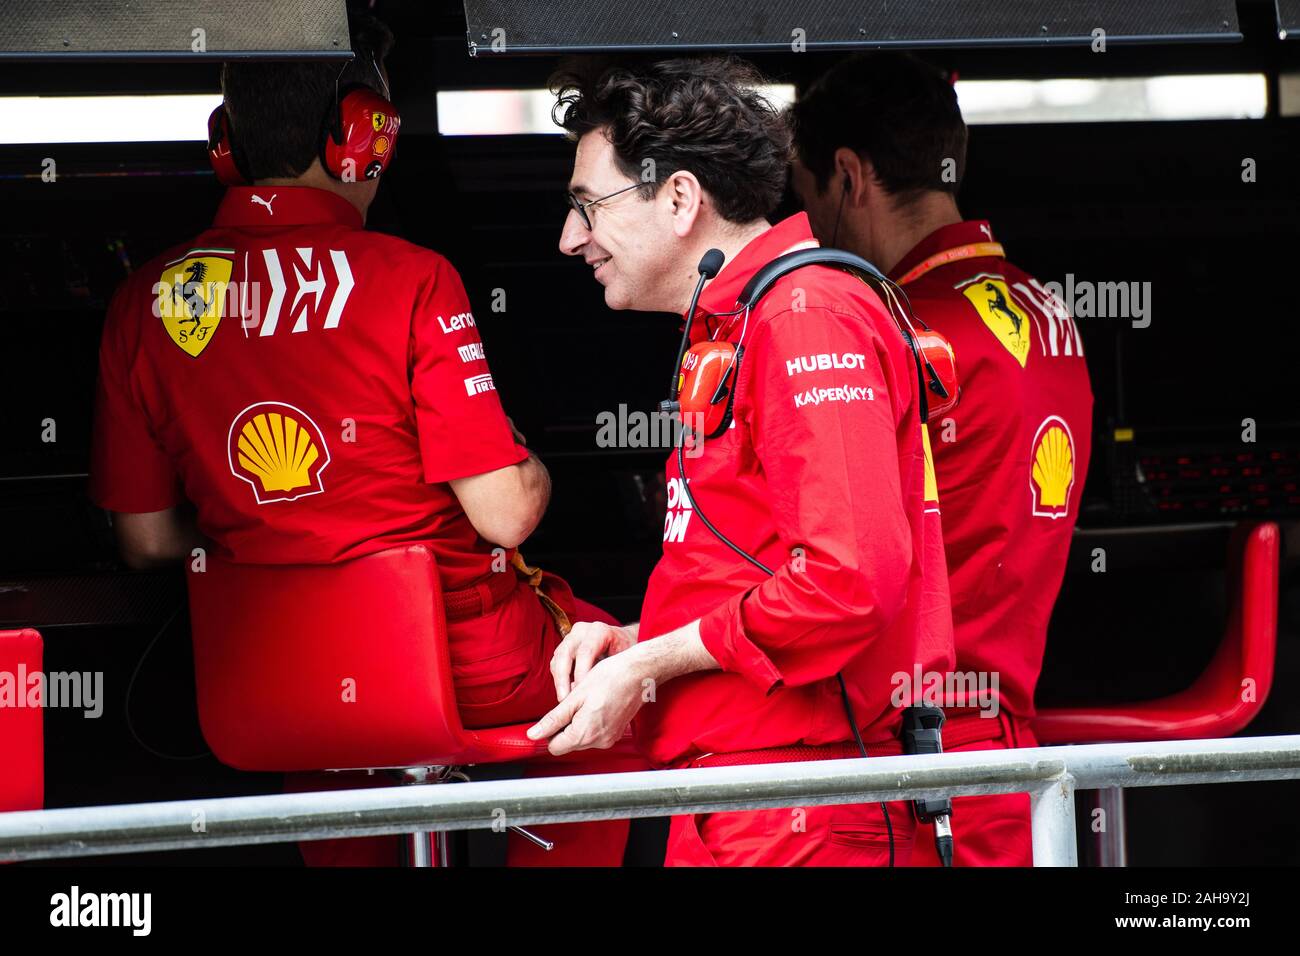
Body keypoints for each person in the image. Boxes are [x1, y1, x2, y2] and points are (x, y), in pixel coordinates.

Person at [87, 12, 636, 866]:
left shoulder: (145, 299)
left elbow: (148, 539)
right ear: (360, 138)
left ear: (224, 143)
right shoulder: (410, 279)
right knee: (623, 686)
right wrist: (520, 460)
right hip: (465, 668)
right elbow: (506, 518)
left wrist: (282, 534)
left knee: (331, 737)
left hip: (274, 681)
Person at [533, 56, 955, 866]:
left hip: (809, 807)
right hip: (746, 800)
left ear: (681, 197)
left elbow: (848, 578)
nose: (570, 238)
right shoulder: (746, 317)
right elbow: (751, 576)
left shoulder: (805, 313)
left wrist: (657, 658)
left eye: (588, 206)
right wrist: (640, 643)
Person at [789, 51, 1094, 866]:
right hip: (999, 742)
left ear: (847, 176)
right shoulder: (1047, 304)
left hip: (908, 765)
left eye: (804, 191)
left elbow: (835, 564)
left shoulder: (885, 329)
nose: (805, 219)